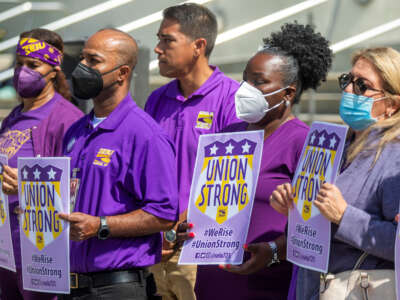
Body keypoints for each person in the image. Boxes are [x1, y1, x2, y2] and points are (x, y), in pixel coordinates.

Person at [193, 23, 333, 300]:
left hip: (268, 287)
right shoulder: (226, 138)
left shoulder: (303, 142)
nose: (247, 89)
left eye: (259, 82)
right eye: (246, 80)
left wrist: (273, 250)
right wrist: (192, 231)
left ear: (288, 93)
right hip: (212, 286)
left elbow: (316, 227)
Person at [57, 28, 179, 300]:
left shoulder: (146, 135)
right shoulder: (76, 130)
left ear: (122, 73)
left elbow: (164, 213)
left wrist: (100, 225)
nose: (82, 68)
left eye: (94, 61)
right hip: (70, 286)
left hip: (115, 288)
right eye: (82, 59)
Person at [270, 47, 400, 300]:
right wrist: (294, 208)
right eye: (347, 80)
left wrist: (344, 216)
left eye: (362, 86)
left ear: (391, 105)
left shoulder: (394, 156)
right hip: (310, 287)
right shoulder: (331, 143)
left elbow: (397, 243)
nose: (349, 91)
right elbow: (313, 228)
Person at [144, 3, 240, 300]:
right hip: (155, 248)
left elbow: (231, 181)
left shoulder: (231, 98)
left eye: (167, 40)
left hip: (200, 249)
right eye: (158, 39)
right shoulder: (157, 99)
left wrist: (175, 227)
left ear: (198, 46)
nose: (158, 49)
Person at [0, 28, 83, 300]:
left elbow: (75, 188)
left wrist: (24, 188)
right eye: (20, 63)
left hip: (40, 251)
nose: (23, 71)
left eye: (33, 65)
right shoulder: (13, 117)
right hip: (7, 251)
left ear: (54, 69)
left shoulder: (66, 118)